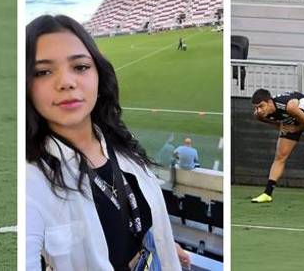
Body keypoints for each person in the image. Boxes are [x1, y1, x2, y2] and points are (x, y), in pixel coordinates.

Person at [26, 15, 187, 271]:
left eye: (80, 67)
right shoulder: (32, 178)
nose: (66, 82)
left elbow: (134, 222)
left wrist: (163, 243)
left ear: (99, 77)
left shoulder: (122, 145)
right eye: (43, 72)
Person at [249, 89, 304, 203]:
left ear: (269, 102)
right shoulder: (258, 114)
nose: (258, 110)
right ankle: (267, 193)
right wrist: (279, 125)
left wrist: (295, 129)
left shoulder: (289, 106)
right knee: (280, 156)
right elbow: (265, 119)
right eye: (256, 107)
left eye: (261, 106)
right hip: (290, 120)